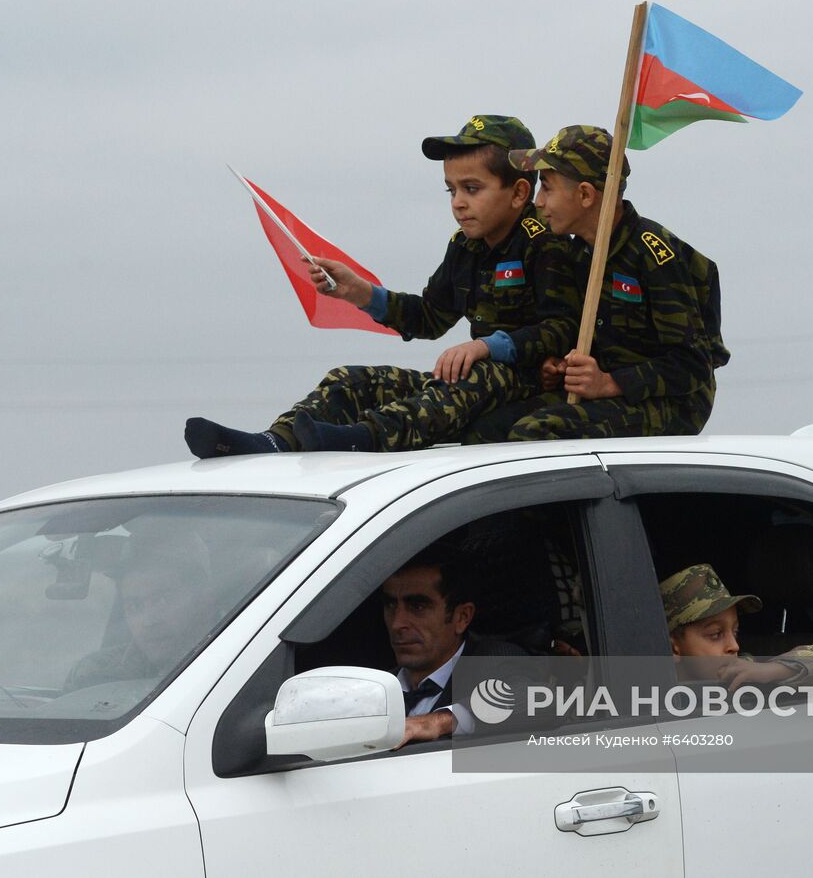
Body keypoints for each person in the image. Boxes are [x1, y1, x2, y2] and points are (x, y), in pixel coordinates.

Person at [183, 114, 582, 456]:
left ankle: (359, 441)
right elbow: (429, 317)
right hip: (472, 380)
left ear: (518, 193)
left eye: (471, 189)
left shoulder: (544, 242)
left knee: (473, 377)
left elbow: (563, 327)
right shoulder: (465, 247)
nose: (458, 202)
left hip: (530, 384)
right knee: (350, 381)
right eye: (451, 189)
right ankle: (273, 443)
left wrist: (486, 346)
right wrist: (360, 293)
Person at [463, 125, 729, 443]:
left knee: (536, 431)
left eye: (547, 187)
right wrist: (561, 364)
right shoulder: (578, 253)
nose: (538, 202)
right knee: (485, 430)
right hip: (603, 390)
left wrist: (609, 383)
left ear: (586, 195)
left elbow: (694, 365)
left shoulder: (653, 255)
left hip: (671, 401)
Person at [380, 547, 523, 747]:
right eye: (390, 605)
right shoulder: (375, 689)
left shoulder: (495, 662)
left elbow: (538, 700)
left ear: (462, 617)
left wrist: (439, 721)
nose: (397, 624)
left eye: (418, 606)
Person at [659, 562, 813, 688]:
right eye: (715, 634)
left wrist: (771, 671)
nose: (734, 646)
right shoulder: (649, 694)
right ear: (673, 648)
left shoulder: (743, 673)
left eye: (735, 632)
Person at [65, 534, 212, 691]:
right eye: (134, 606)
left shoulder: (228, 671)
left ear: (201, 600)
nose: (149, 621)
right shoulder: (91, 675)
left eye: (163, 600)